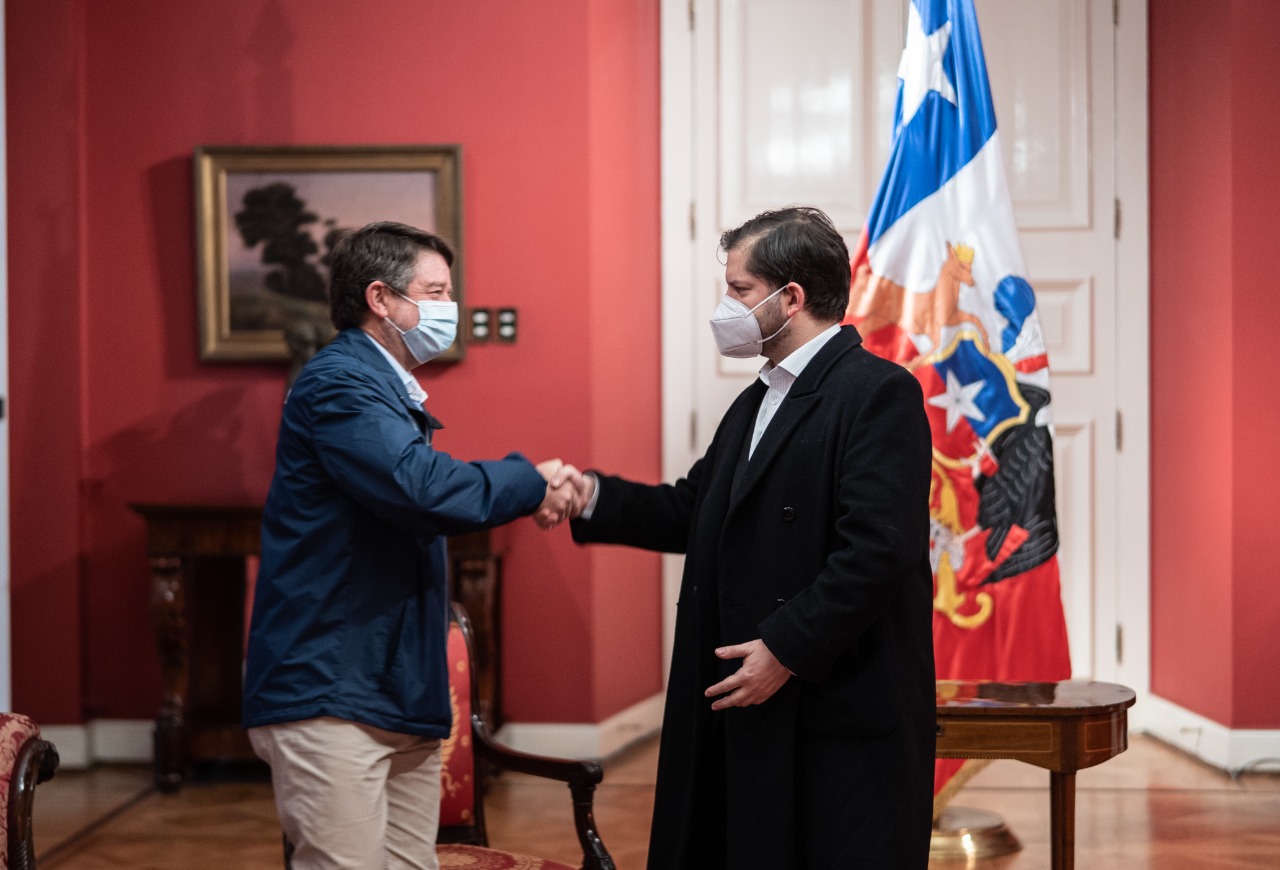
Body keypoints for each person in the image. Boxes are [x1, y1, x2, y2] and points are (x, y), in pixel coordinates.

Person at [562, 207, 936, 868]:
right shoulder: (757, 400)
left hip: (829, 705)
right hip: (747, 699)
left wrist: (787, 649)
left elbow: (879, 551)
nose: (725, 308)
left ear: (790, 297)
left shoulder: (879, 392)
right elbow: (693, 509)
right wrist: (590, 496)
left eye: (738, 291)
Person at [243, 220, 578, 870]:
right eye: (436, 290)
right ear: (381, 298)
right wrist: (530, 481)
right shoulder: (339, 383)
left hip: (391, 696)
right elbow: (420, 488)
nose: (451, 308)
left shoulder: (384, 391)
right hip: (331, 693)